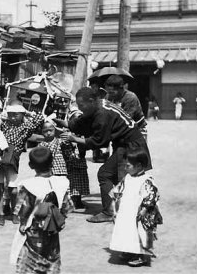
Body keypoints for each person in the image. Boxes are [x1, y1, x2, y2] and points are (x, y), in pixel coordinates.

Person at [63, 87, 152, 223]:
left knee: (112, 176)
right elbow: (81, 123)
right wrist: (61, 123)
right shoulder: (100, 105)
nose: (81, 109)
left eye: (82, 105)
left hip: (130, 146)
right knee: (117, 177)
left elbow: (99, 142)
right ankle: (119, 209)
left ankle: (111, 212)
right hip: (127, 144)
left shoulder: (102, 114)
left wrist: (75, 139)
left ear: (91, 101)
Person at [10, 147, 70, 274]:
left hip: (34, 228)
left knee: (31, 255)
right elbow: (66, 207)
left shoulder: (28, 185)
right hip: (52, 227)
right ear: (52, 163)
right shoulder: (61, 182)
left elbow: (23, 208)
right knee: (51, 254)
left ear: (31, 165)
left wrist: (22, 224)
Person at [109, 147, 162, 267]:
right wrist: (114, 209)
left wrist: (144, 210)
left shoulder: (146, 181)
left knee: (139, 233)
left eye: (128, 165)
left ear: (138, 166)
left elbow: (151, 197)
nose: (125, 168)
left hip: (138, 214)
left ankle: (140, 255)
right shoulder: (127, 178)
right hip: (126, 211)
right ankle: (128, 251)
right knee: (126, 232)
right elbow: (118, 192)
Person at [0, 102, 44, 226]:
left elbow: (40, 118)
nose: (12, 117)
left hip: (12, 160)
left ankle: (14, 213)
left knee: (13, 189)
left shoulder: (25, 127)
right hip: (0, 157)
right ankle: (1, 214)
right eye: (10, 115)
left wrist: (27, 113)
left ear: (22, 115)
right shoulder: (4, 125)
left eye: (16, 115)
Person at [39, 121, 89, 209]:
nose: (48, 133)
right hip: (49, 171)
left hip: (61, 170)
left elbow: (67, 143)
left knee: (64, 188)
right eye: (45, 131)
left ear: (55, 130)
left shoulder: (60, 141)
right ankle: (54, 204)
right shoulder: (41, 144)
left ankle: (66, 204)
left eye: (50, 130)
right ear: (42, 132)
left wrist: (63, 132)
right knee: (51, 188)